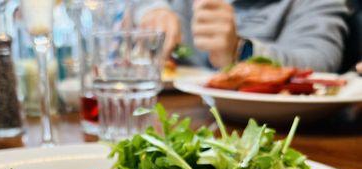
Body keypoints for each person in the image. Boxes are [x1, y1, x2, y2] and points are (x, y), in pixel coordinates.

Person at [136, 0, 351, 72]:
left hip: (281, 131)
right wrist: (153, 10)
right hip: (177, 118)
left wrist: (240, 51)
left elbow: (320, 59)